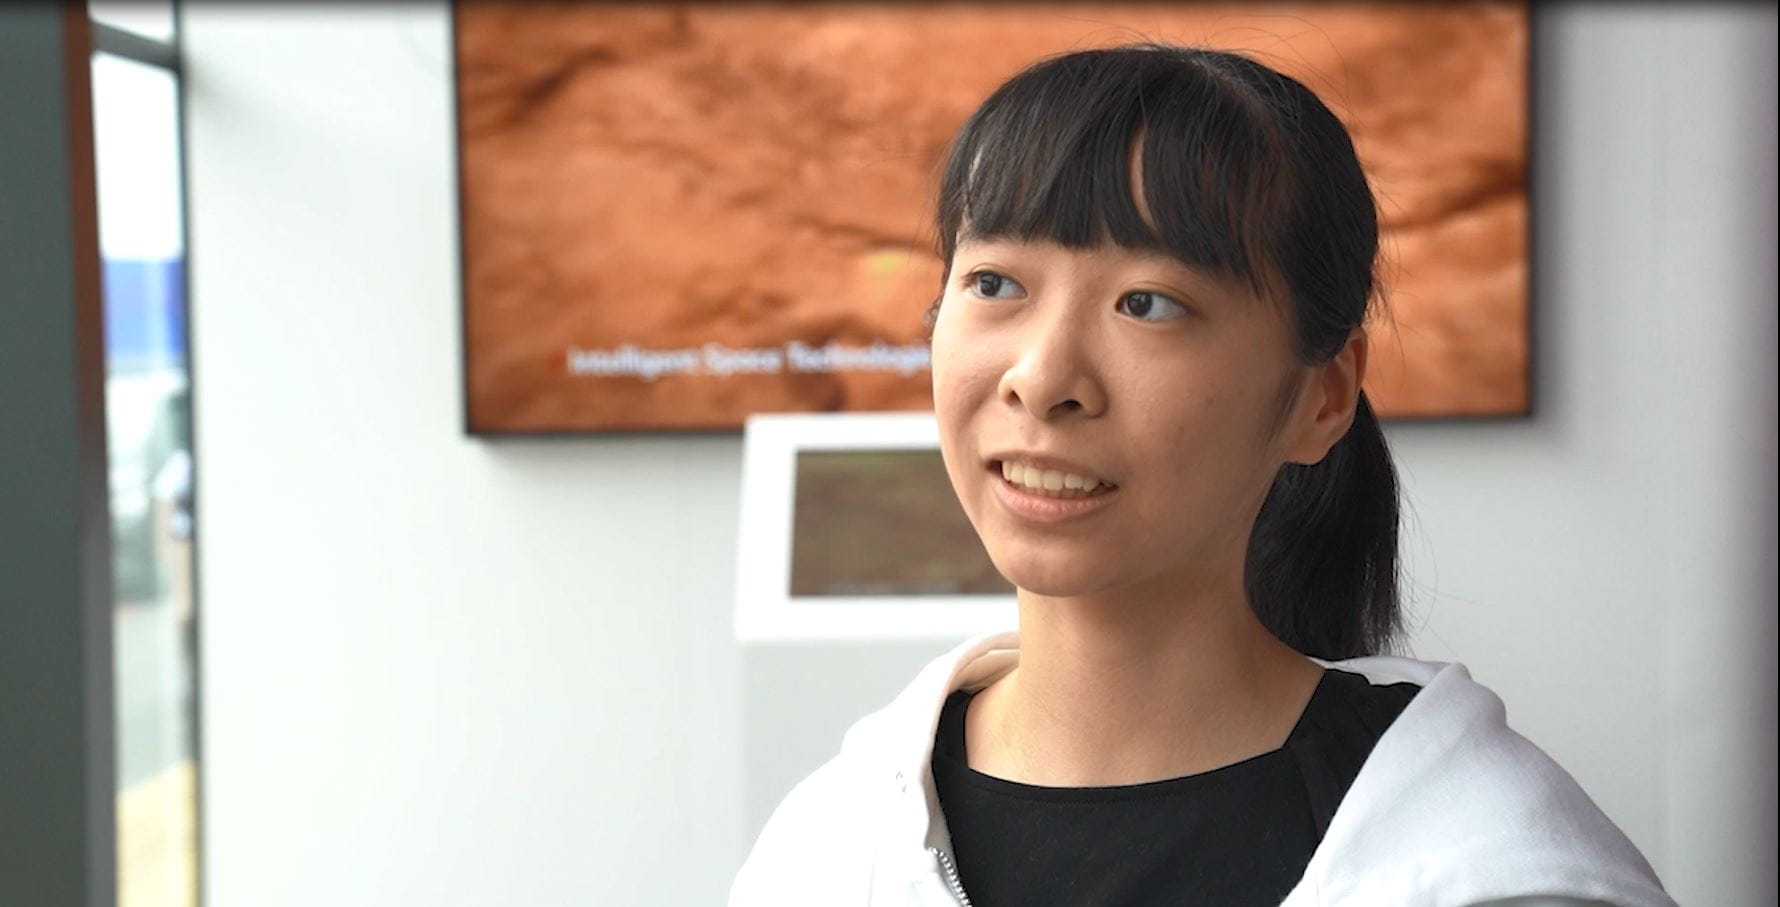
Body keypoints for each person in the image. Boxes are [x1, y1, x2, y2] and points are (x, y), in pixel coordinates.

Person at [731, 44, 1674, 906]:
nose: (1044, 378)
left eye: (1149, 302)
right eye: (995, 285)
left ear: (1322, 397)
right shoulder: (833, 846)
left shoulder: (1485, 866)